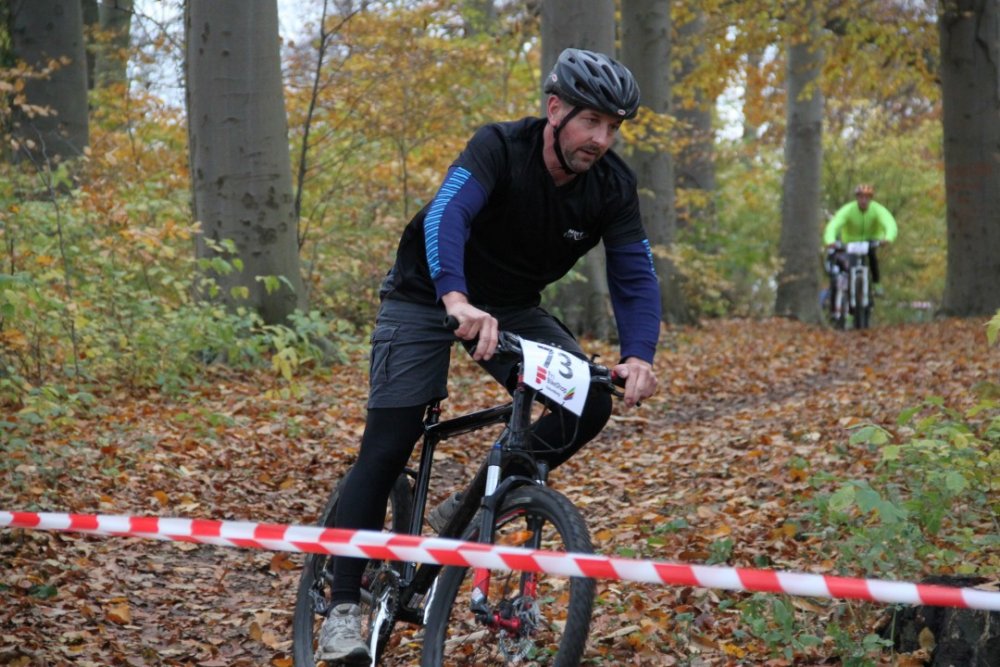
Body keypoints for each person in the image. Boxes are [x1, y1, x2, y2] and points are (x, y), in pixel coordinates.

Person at [315, 48, 662, 664]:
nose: (601, 139)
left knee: (587, 400)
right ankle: (343, 606)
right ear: (555, 110)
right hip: (426, 293)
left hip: (511, 307)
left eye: (613, 127)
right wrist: (455, 297)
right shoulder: (499, 147)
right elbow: (446, 216)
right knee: (390, 443)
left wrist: (639, 355)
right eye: (591, 121)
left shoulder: (612, 185)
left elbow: (634, 273)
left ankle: (475, 502)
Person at [822, 183, 898, 313]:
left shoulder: (877, 209)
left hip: (871, 239)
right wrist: (830, 240)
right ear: (856, 198)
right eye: (861, 197)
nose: (863, 200)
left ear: (870, 199)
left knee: (872, 258)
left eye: (867, 198)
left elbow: (889, 223)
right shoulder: (848, 210)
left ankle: (876, 283)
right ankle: (851, 297)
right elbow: (834, 225)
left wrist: (888, 238)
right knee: (850, 265)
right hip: (851, 241)